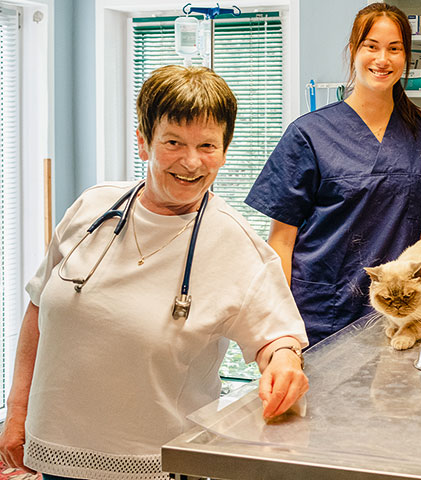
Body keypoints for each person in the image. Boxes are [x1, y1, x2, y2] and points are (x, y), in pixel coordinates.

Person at [0, 65, 309, 479]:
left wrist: (284, 363)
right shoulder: (92, 208)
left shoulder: (235, 244)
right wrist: (16, 414)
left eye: (208, 145)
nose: (192, 161)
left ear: (225, 149)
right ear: (144, 142)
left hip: (154, 465)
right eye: (173, 142)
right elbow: (40, 310)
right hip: (54, 453)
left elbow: (277, 340)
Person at [245, 2, 421, 346]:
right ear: (353, 51)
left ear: (406, 56)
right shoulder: (308, 134)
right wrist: (277, 327)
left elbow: (415, 228)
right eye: (371, 46)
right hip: (322, 311)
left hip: (399, 315)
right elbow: (281, 241)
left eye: (394, 48)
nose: (383, 59)